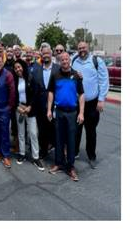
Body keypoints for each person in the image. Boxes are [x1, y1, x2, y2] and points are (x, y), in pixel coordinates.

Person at [47, 52, 85, 182]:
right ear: (60, 61)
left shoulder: (76, 75)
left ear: (70, 60)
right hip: (60, 112)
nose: (64, 61)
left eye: (66, 59)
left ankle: (71, 167)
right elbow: (51, 92)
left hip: (72, 113)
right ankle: (58, 163)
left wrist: (81, 113)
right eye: (62, 59)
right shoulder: (55, 75)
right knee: (58, 139)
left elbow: (81, 95)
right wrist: (49, 110)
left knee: (71, 141)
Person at [71, 42, 109, 169]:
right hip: (77, 103)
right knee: (76, 130)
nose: (82, 50)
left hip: (92, 103)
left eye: (84, 48)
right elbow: (68, 74)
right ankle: (74, 152)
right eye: (80, 48)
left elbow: (104, 81)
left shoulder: (96, 61)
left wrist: (101, 99)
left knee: (91, 131)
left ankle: (91, 156)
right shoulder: (74, 60)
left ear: (88, 48)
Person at [13, 60, 44, 171]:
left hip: (30, 109)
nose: (18, 69)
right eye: (16, 68)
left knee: (33, 133)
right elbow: (14, 95)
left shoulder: (30, 77)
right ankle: (22, 154)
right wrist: (17, 107)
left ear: (23, 67)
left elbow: (36, 93)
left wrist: (30, 107)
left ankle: (35, 157)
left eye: (19, 67)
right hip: (19, 109)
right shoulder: (15, 79)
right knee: (21, 133)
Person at [31, 44, 59, 160]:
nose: (46, 55)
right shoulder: (36, 69)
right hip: (40, 106)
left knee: (55, 130)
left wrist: (78, 75)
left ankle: (58, 153)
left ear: (51, 54)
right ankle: (43, 151)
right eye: (44, 54)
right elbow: (33, 88)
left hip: (55, 106)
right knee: (42, 130)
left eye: (48, 53)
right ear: (41, 55)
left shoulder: (58, 68)